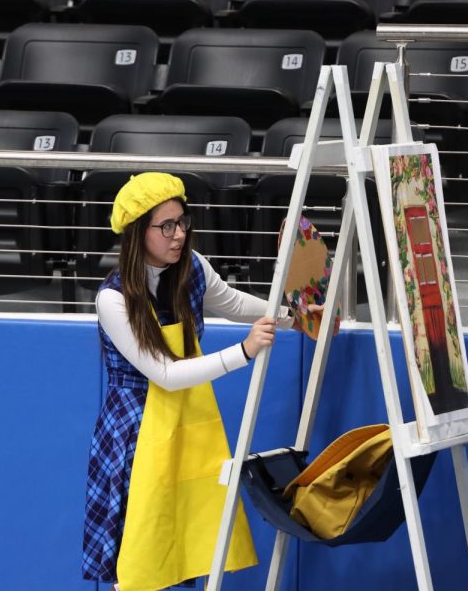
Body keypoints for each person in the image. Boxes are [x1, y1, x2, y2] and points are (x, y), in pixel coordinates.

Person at [82, 172, 321, 590]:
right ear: (138, 233)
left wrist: (294, 317)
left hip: (187, 426)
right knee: (139, 554)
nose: (178, 235)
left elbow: (232, 301)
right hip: (135, 434)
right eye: (166, 226)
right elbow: (166, 374)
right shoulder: (113, 299)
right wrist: (242, 352)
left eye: (182, 222)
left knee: (188, 545)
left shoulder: (190, 267)